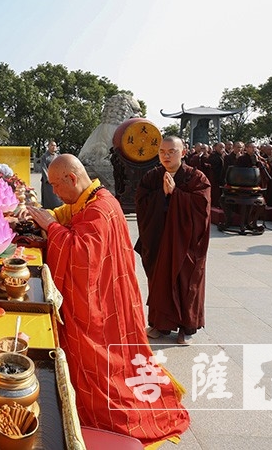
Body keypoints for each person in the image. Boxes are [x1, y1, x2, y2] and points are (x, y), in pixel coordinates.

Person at [25, 154, 189, 444]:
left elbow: (80, 254)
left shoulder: (99, 209)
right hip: (112, 294)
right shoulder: (92, 200)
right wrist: (49, 219)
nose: (54, 192)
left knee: (105, 365)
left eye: (55, 186)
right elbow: (69, 214)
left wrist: (51, 228)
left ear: (71, 179)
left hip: (101, 306)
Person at [135, 136, 211, 345]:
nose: (166, 156)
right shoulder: (152, 177)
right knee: (160, 281)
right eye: (162, 152)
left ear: (183, 153)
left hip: (186, 243)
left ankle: (187, 327)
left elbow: (201, 208)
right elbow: (141, 202)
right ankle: (160, 324)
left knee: (186, 282)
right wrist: (162, 195)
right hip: (159, 239)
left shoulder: (196, 178)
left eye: (172, 151)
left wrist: (176, 194)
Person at [39, 140, 63, 209]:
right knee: (48, 195)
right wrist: (48, 179)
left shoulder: (58, 156)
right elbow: (43, 168)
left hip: (57, 179)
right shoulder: (44, 157)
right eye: (52, 145)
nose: (54, 147)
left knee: (57, 196)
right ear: (48, 146)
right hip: (48, 181)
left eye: (55, 145)